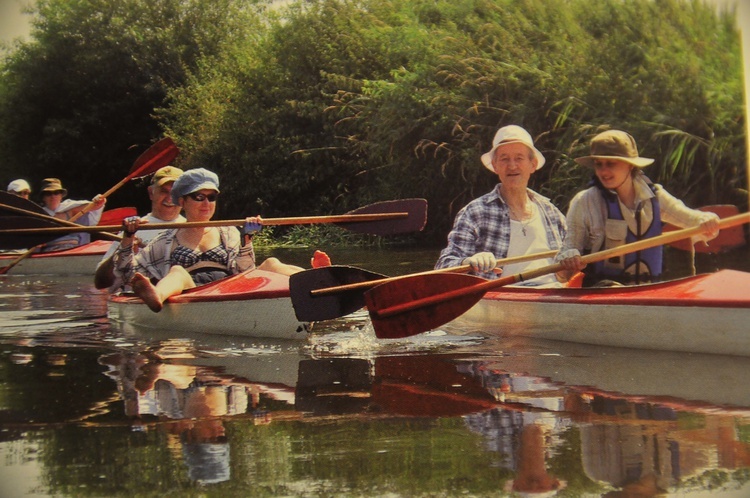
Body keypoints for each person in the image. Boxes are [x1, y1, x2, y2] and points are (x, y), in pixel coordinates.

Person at [112, 168, 314, 312]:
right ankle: (157, 297)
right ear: (182, 201)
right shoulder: (164, 240)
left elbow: (245, 272)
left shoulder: (228, 232)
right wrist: (128, 239)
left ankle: (317, 279)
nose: (206, 203)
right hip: (191, 289)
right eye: (199, 197)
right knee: (177, 272)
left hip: (228, 290)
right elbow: (126, 274)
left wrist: (247, 239)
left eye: (211, 197)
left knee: (271, 263)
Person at [556, 129, 720, 286]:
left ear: (631, 165)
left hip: (647, 292)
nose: (603, 171)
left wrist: (706, 220)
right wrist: (569, 259)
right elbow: (566, 256)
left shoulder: (656, 196)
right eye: (599, 165)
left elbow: (691, 219)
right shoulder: (584, 201)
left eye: (611, 164)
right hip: (602, 292)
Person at [435, 125, 567, 287]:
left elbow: (566, 274)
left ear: (532, 164)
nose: (512, 166)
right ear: (495, 165)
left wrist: (573, 262)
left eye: (519, 158)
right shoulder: (475, 212)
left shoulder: (551, 212)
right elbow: (443, 265)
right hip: (502, 299)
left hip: (553, 295)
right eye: (504, 159)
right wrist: (469, 261)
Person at [94, 165, 186, 291]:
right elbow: (100, 282)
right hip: (136, 298)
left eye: (174, 193)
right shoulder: (133, 228)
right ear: (151, 193)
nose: (169, 198)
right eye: (163, 191)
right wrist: (124, 246)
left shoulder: (192, 227)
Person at [38, 178, 106, 253]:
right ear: (43, 197)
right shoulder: (38, 214)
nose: (53, 196)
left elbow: (95, 206)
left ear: (61, 195)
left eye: (56, 192)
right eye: (48, 193)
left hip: (72, 250)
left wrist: (99, 200)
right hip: (49, 252)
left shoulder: (70, 208)